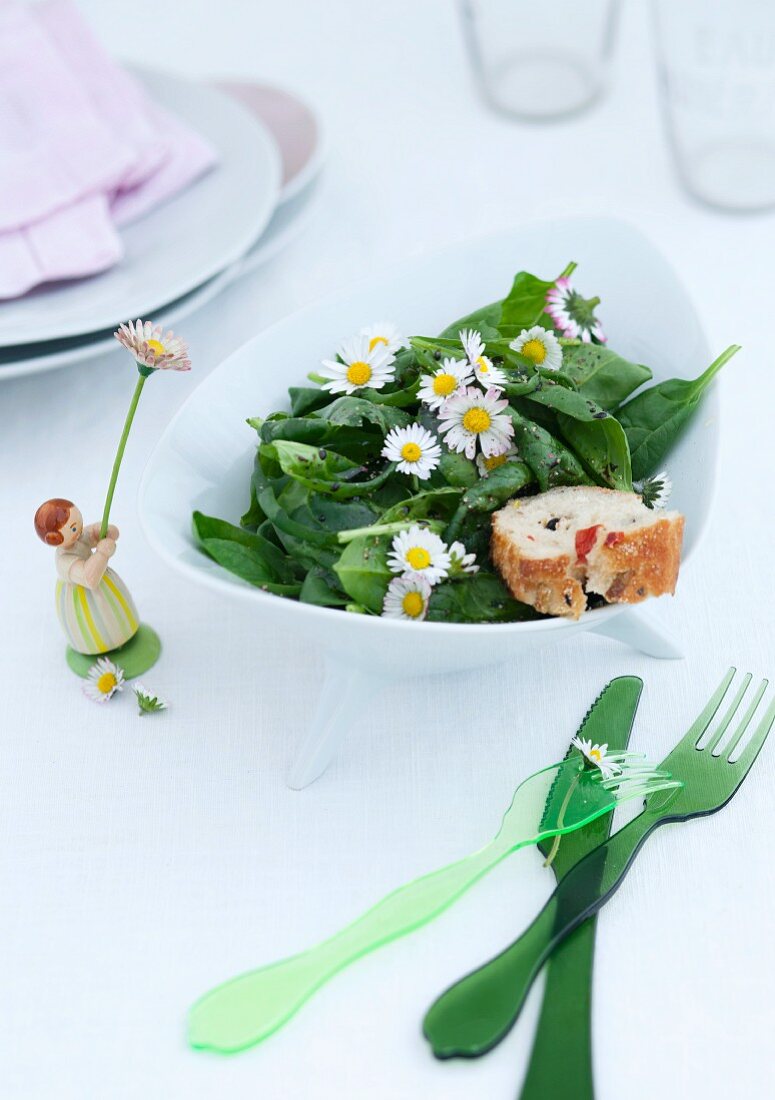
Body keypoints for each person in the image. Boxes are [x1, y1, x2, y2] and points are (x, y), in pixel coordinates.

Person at [34, 498, 139, 655]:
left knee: (115, 614)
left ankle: (124, 636)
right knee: (97, 623)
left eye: (79, 522)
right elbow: (89, 579)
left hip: (103, 584)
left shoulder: (78, 536)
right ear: (54, 539)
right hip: (81, 595)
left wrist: (104, 531)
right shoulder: (64, 561)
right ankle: (100, 648)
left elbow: (99, 534)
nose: (80, 530)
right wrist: (102, 554)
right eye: (75, 528)